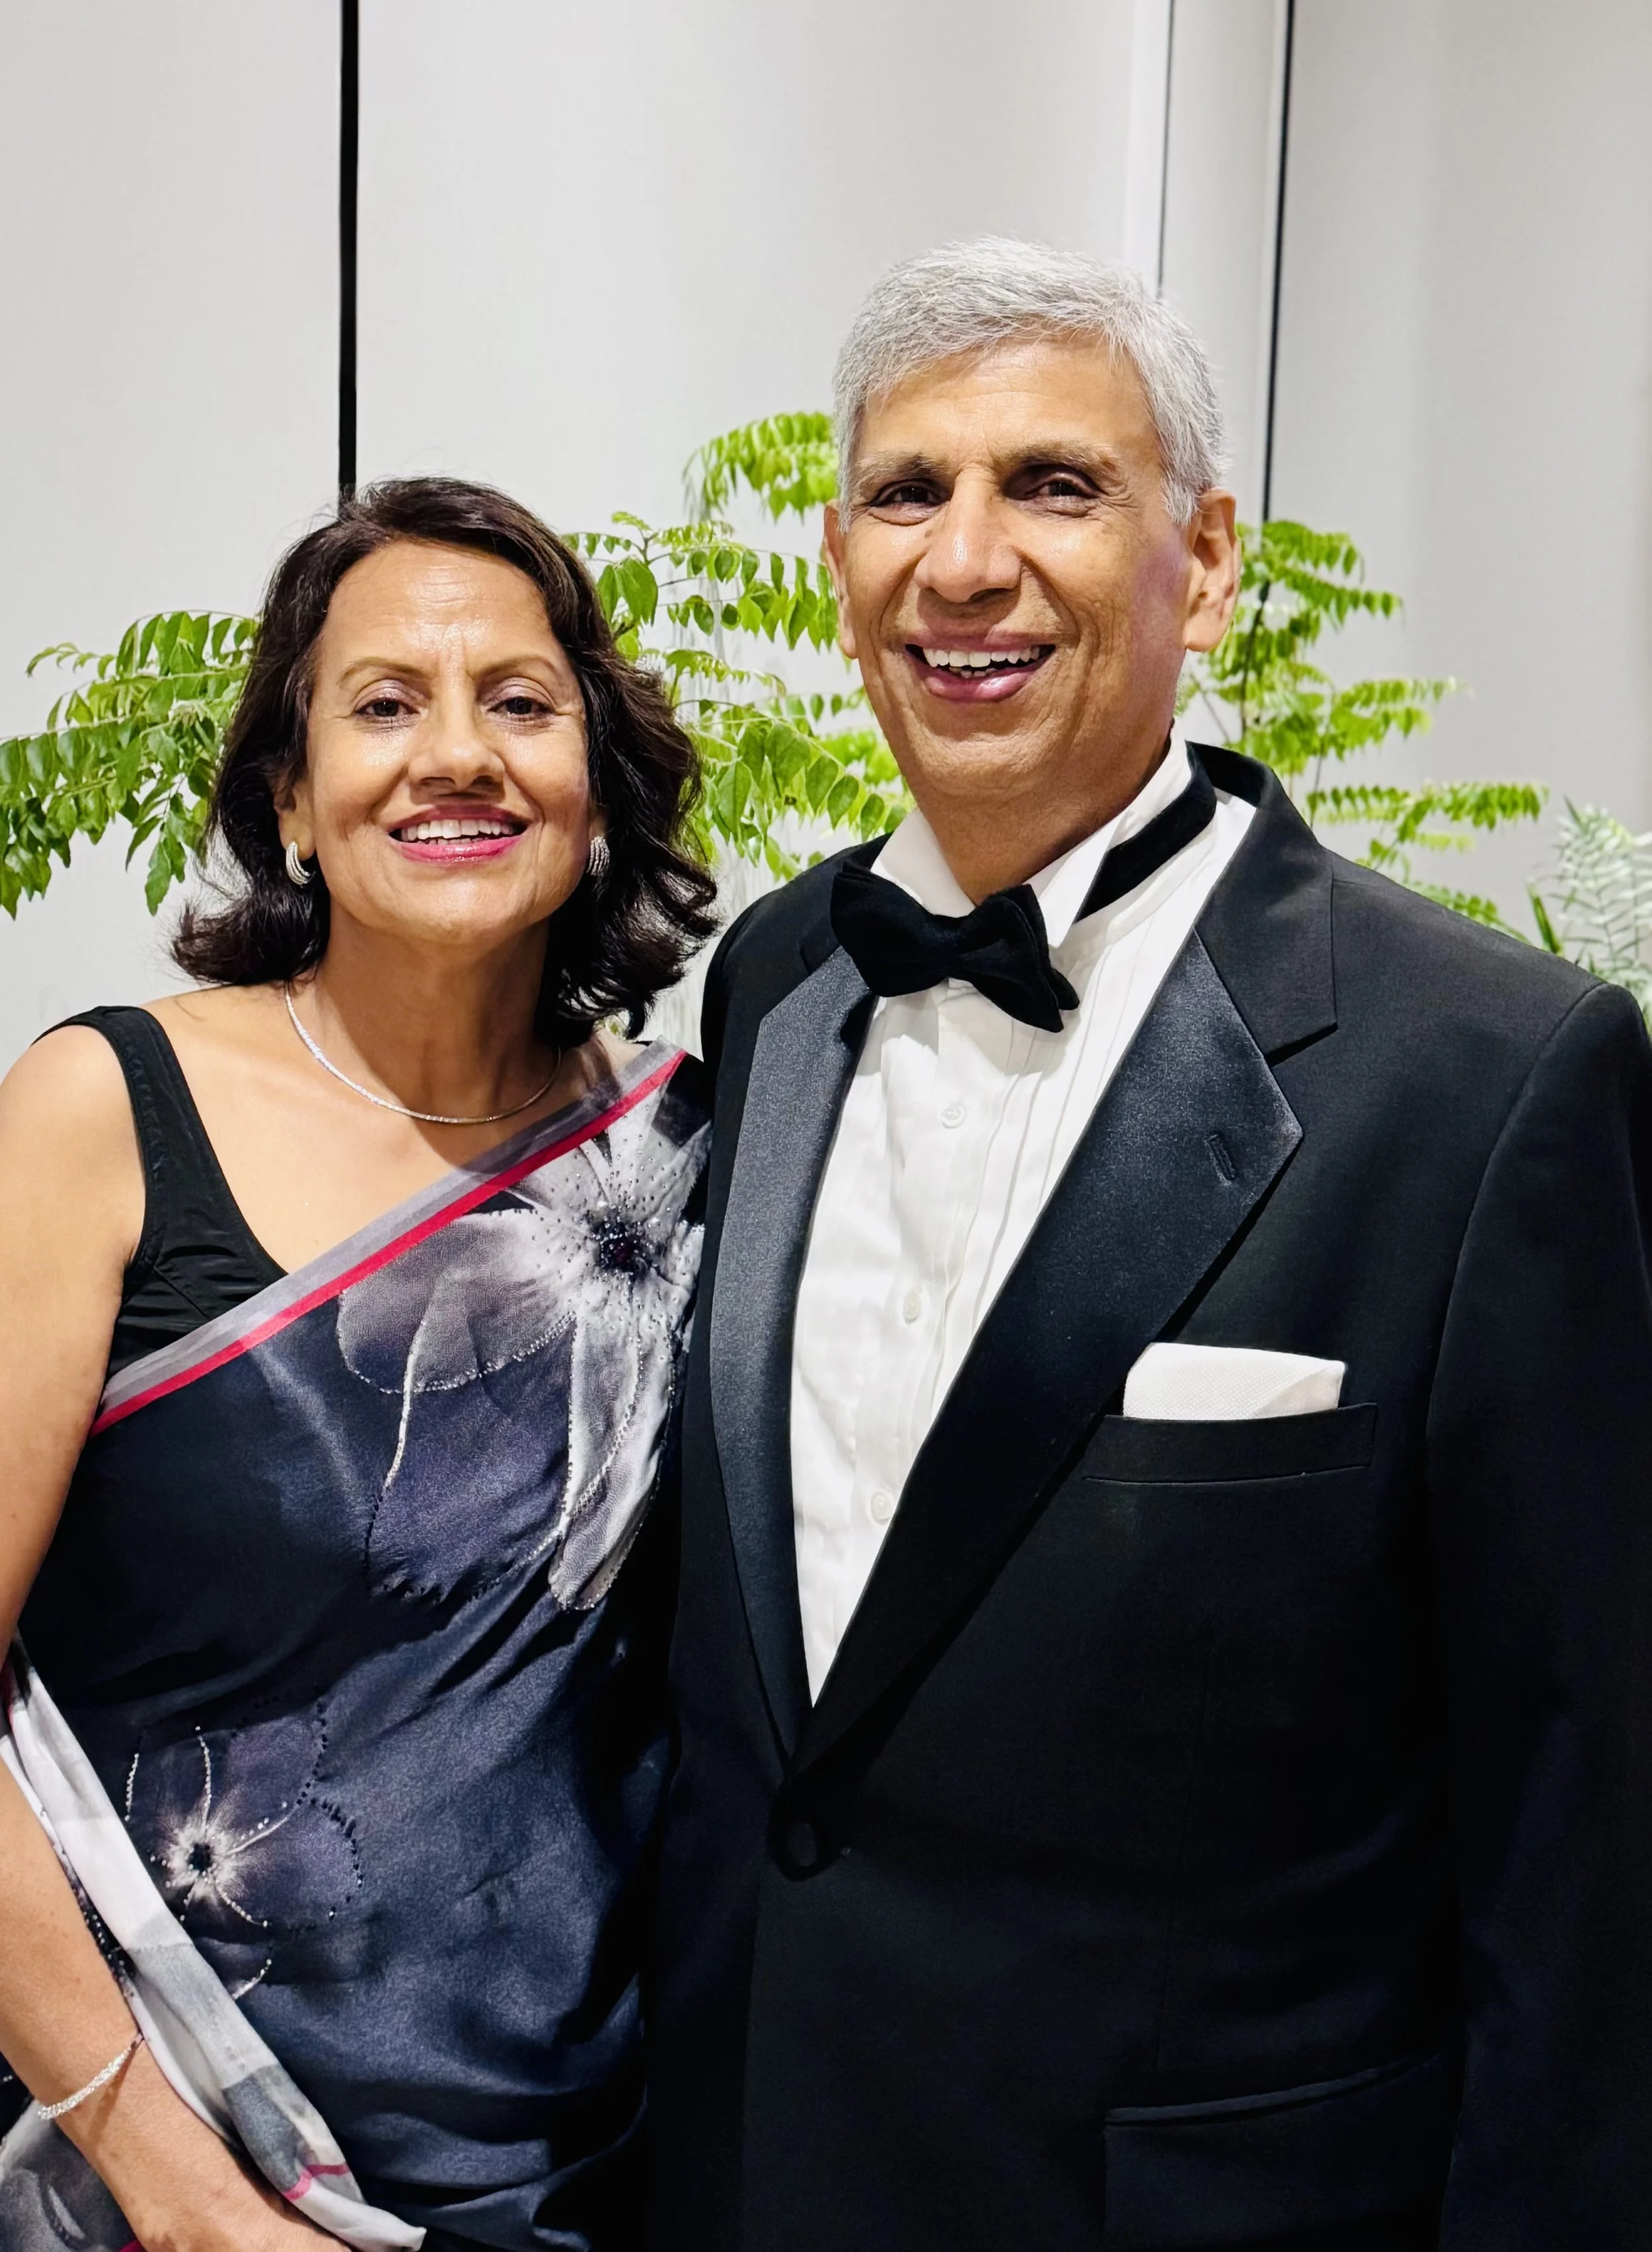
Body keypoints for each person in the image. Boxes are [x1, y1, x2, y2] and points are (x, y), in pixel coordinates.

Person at [649, 239, 1652, 2251]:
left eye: (1052, 485)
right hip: (739, 2168)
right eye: (903, 492)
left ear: (1200, 563)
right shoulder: (772, 980)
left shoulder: (1490, 1074)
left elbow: (1588, 1848)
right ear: (839, 560)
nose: (962, 560)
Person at [0, 476, 716, 2252]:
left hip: (592, 2167)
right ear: (290, 801)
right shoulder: (104, 1114)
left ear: (597, 792)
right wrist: (184, 2200)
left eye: (521, 704)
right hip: (157, 2170)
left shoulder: (685, 1153)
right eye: (384, 702)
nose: (453, 754)